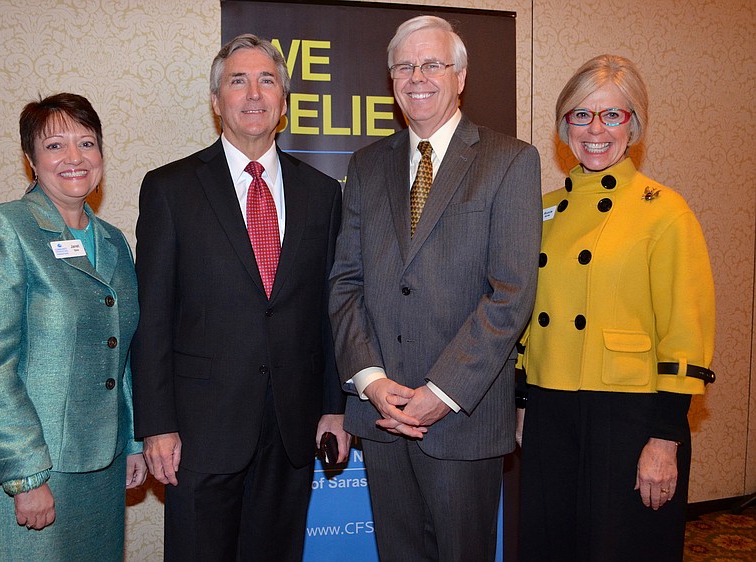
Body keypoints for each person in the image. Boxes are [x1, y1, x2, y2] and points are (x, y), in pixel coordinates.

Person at [328, 15, 541, 561]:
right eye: (404, 67)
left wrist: (441, 392)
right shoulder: (366, 165)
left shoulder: (510, 160)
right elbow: (346, 282)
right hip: (383, 413)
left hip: (463, 417)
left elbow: (511, 293)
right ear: (391, 79)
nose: (416, 77)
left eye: (432, 64)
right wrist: (372, 381)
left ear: (460, 76)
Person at [131, 33, 350, 562]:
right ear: (216, 101)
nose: (254, 93)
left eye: (267, 80)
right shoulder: (169, 188)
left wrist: (334, 408)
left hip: (292, 429)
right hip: (200, 432)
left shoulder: (323, 193)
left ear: (283, 101)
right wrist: (156, 425)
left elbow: (331, 310)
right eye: (238, 81)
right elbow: (152, 317)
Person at [515, 54, 715, 561]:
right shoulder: (542, 208)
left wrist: (665, 439)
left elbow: (685, 331)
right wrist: (521, 404)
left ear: (634, 124)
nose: (595, 129)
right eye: (581, 114)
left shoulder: (665, 210)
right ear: (565, 125)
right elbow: (523, 314)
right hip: (550, 408)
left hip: (629, 415)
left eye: (611, 114)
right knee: (550, 545)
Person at [0, 93, 147, 561]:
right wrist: (25, 475)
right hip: (22, 469)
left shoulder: (114, 241)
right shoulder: (1, 229)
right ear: (31, 159)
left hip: (101, 465)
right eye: (56, 145)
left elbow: (121, 350)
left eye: (87, 143)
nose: (75, 158)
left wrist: (132, 441)